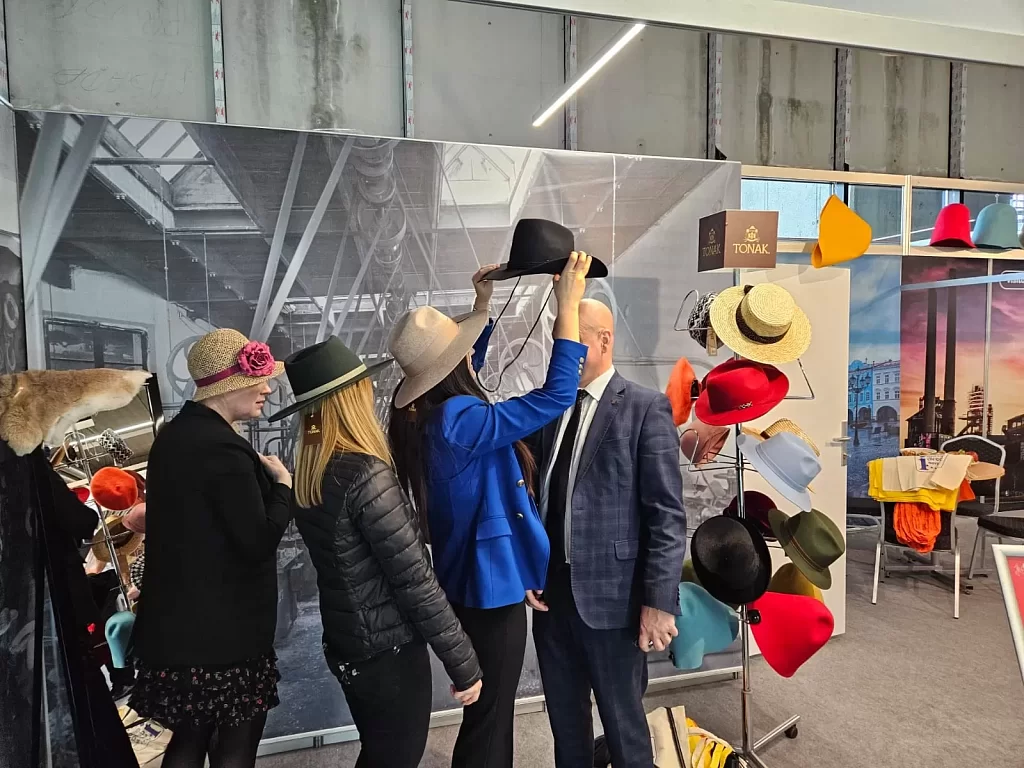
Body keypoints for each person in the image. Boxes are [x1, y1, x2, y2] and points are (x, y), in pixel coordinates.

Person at [388, 253, 592, 768]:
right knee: (491, 717)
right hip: (487, 589)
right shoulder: (461, 418)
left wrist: (482, 306)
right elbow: (558, 394)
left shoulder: (427, 417)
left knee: (489, 714)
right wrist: (567, 307)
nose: (470, 358)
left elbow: (464, 368)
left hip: (473, 580)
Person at [271, 336, 483, 768]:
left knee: (380, 752)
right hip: (389, 654)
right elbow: (415, 582)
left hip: (350, 646)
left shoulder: (312, 474)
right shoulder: (366, 475)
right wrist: (464, 664)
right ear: (351, 399)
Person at [527, 298, 687, 768]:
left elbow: (666, 514)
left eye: (574, 340)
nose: (564, 350)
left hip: (614, 604)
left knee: (625, 732)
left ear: (604, 340)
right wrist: (528, 567)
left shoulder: (644, 408)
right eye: (558, 340)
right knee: (566, 730)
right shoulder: (550, 407)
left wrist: (659, 603)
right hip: (552, 600)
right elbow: (537, 497)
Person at [131, 329, 293, 768]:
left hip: (177, 632)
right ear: (229, 385)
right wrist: (283, 487)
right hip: (225, 639)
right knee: (235, 746)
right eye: (258, 380)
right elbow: (258, 541)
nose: (267, 388)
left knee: (188, 739)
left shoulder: (172, 438)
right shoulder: (224, 450)